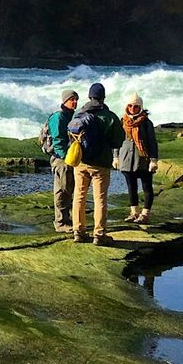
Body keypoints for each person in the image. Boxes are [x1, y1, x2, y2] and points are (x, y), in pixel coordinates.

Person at [70, 82, 126, 246]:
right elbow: (118, 141)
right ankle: (99, 234)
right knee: (100, 199)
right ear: (103, 97)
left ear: (89, 96)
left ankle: (78, 232)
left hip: (81, 162)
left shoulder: (79, 114)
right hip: (100, 164)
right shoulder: (109, 116)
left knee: (78, 197)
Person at [115, 93, 159, 224]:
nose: (132, 108)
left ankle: (145, 214)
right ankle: (134, 213)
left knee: (146, 186)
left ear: (140, 107)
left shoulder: (146, 123)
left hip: (143, 160)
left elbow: (152, 142)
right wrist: (115, 157)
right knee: (131, 187)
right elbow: (116, 140)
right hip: (126, 159)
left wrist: (153, 159)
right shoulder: (122, 121)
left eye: (136, 106)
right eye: (130, 105)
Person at [47, 89, 79, 232]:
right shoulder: (58, 117)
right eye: (72, 99)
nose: (75, 102)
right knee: (62, 191)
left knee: (70, 189)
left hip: (70, 158)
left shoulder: (73, 116)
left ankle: (69, 219)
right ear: (65, 101)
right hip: (61, 159)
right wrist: (66, 158)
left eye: (76, 99)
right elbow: (58, 140)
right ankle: (61, 222)